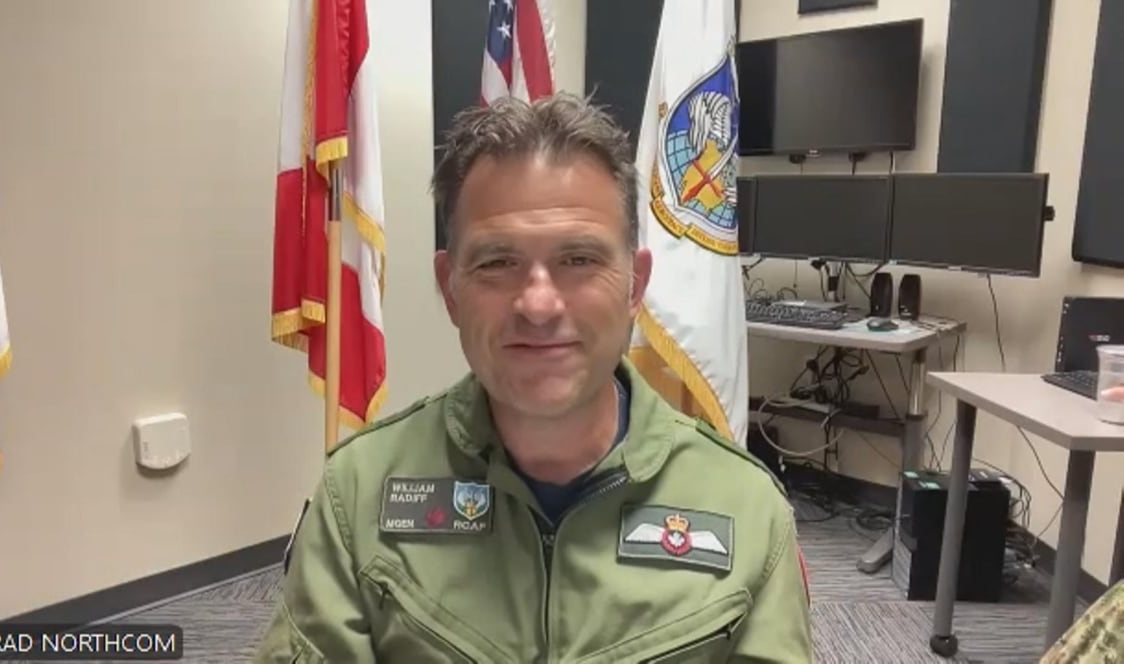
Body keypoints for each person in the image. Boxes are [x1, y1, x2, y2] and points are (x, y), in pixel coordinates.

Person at [254, 92, 813, 663]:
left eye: (579, 260)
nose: (539, 304)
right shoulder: (359, 492)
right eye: (497, 262)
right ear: (450, 287)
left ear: (635, 286)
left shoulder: (748, 511)